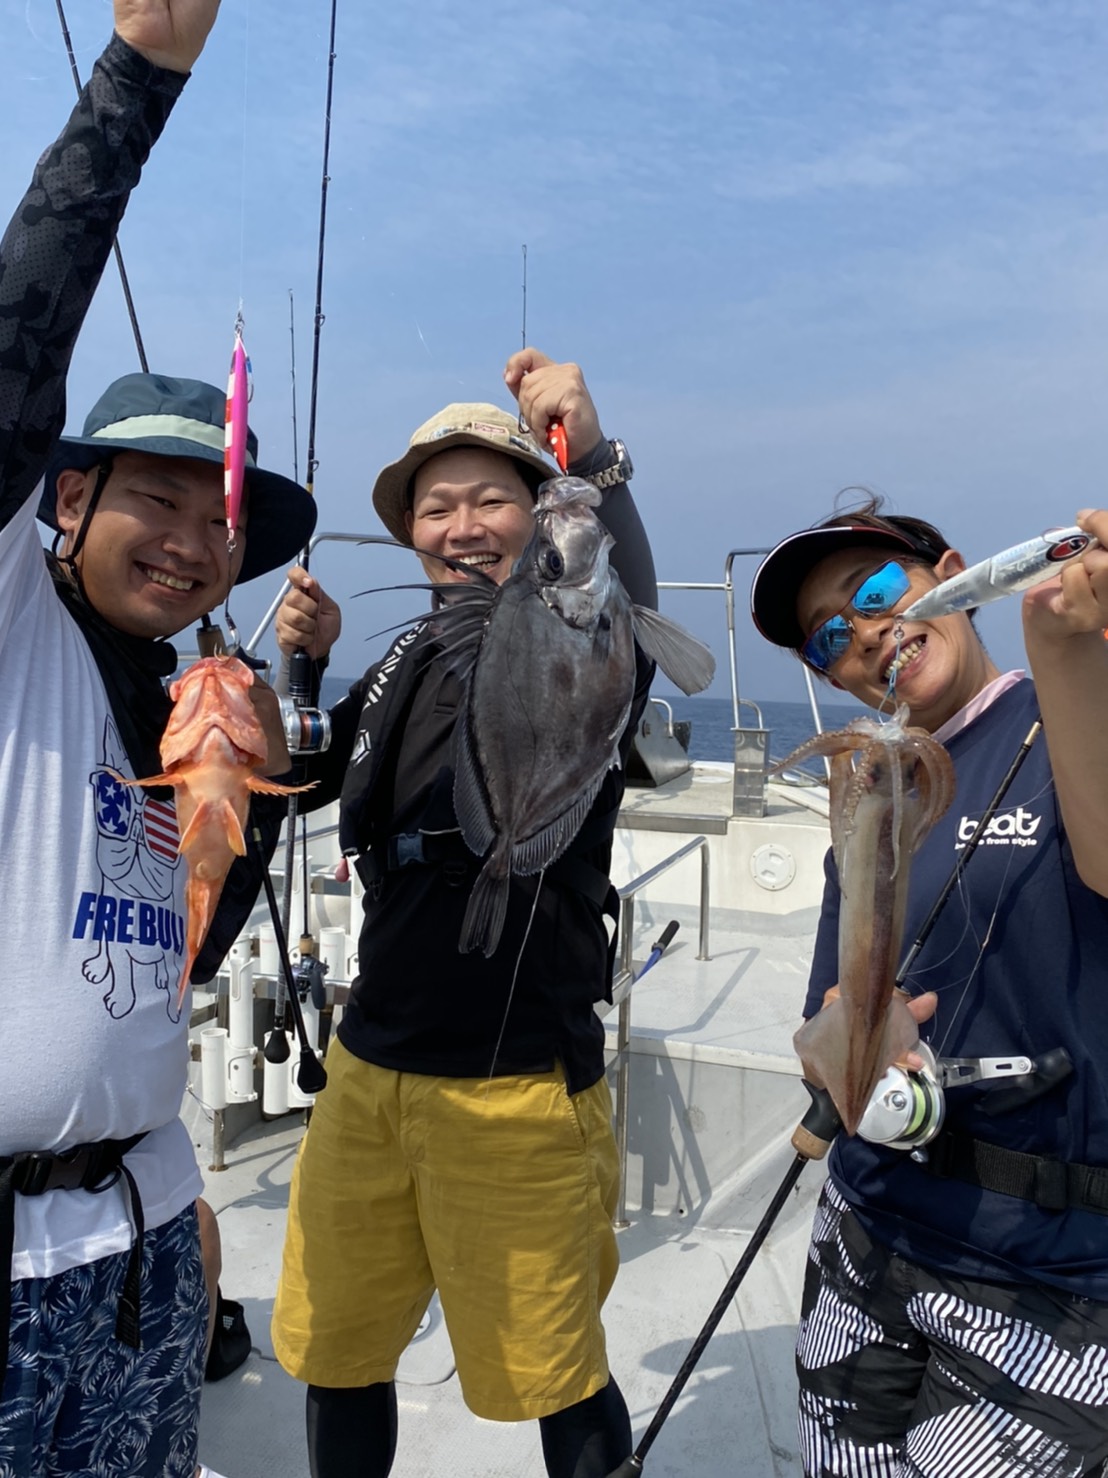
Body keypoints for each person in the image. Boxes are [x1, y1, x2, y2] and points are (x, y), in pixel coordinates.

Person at [0, 7, 318, 1474]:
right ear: (65, 503)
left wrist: (262, 754)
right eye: (157, 503)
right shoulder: (17, 623)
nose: (197, 547)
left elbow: (178, 950)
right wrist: (138, 79)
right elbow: (17, 348)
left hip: (139, 1249)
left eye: (220, 523)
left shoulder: (183, 699)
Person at [268, 352, 656, 1478]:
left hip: (521, 1080)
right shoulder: (399, 655)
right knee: (339, 1350)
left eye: (492, 496)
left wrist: (602, 458)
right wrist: (305, 664)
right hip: (369, 1067)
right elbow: (308, 770)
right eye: (436, 505)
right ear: (412, 533)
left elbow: (610, 582)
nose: (462, 523)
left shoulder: (579, 626)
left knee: (556, 1366)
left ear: (540, 512)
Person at [749, 497, 1108, 1477]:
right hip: (864, 1230)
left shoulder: (1074, 710)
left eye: (874, 591)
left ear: (953, 572)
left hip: (1040, 1274)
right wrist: (840, 1046)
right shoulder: (870, 786)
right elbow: (833, 1004)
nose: (866, 631)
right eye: (831, 635)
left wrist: (1072, 658)